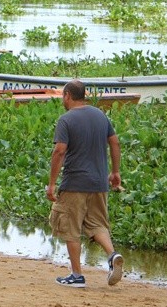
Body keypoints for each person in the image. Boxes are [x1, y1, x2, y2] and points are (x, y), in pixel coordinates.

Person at [46, 79, 124, 288]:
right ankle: (112, 254)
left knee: (70, 227)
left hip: (75, 182)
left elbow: (59, 150)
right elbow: (115, 142)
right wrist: (115, 172)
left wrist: (52, 184)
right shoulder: (100, 115)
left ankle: (77, 275)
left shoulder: (66, 119)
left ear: (67, 96)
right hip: (99, 182)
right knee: (98, 224)